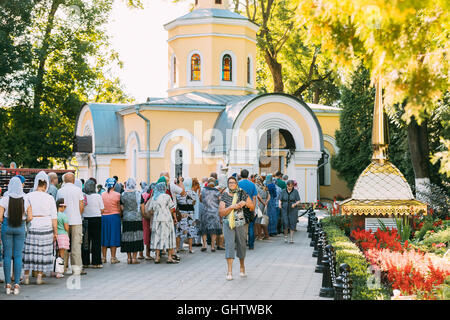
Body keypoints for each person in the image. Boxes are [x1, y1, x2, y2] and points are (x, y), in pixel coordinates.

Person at [23, 171, 58, 284]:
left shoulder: (28, 196)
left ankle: (26, 277)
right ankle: (39, 277)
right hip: (46, 226)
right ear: (46, 184)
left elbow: (24, 214)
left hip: (32, 226)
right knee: (42, 253)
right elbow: (54, 217)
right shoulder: (50, 198)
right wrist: (55, 232)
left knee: (30, 252)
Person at [0, 177, 32, 295]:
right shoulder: (25, 198)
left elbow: (0, 216)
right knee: (18, 256)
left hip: (7, 227)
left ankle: (8, 284)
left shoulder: (4, 199)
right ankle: (17, 284)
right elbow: (30, 217)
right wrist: (24, 221)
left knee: (7, 256)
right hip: (20, 227)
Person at [219, 176, 254, 280]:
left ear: (237, 184)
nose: (231, 184)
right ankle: (229, 271)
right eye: (230, 183)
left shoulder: (242, 193)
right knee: (229, 245)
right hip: (228, 224)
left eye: (233, 183)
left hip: (241, 224)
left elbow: (252, 207)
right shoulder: (224, 195)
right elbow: (221, 212)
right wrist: (231, 207)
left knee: (241, 245)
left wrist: (245, 203)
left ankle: (242, 267)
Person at [57, 173, 85, 275]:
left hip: (62, 221)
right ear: (73, 180)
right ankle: (77, 269)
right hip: (76, 221)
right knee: (76, 246)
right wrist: (78, 214)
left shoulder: (60, 191)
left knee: (62, 246)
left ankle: (62, 268)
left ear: (64, 180)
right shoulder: (78, 190)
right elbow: (81, 206)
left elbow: (58, 206)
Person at [147, 181, 179, 264]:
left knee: (157, 237)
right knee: (169, 237)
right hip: (167, 219)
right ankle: (169, 257)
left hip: (157, 220)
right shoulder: (167, 197)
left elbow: (150, 210)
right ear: (164, 188)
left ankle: (157, 257)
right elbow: (172, 208)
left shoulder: (154, 197)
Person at [120, 178, 144, 264]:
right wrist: (143, 215)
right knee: (136, 237)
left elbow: (121, 208)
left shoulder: (123, 194)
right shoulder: (138, 194)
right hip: (137, 218)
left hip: (126, 218)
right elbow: (142, 207)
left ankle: (128, 258)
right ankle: (134, 258)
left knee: (127, 237)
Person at [81, 179, 104, 268]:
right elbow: (102, 209)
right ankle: (96, 262)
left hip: (85, 220)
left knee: (86, 242)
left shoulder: (83, 196)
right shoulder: (98, 196)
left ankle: (85, 262)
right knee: (96, 241)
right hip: (96, 219)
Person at [101, 178, 122, 264]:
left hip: (104, 217)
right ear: (114, 185)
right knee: (113, 236)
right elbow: (119, 207)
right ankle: (113, 257)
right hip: (114, 217)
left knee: (104, 237)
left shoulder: (102, 194)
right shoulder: (117, 195)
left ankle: (104, 257)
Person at [175, 177, 198, 254]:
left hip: (182, 214)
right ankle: (190, 249)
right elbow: (194, 202)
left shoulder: (180, 193)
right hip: (190, 213)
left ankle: (177, 248)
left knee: (179, 231)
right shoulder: (194, 193)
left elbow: (177, 201)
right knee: (190, 231)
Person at [199, 178, 221, 252]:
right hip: (215, 212)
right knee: (213, 229)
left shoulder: (203, 190)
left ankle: (204, 245)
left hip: (205, 211)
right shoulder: (217, 192)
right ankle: (212, 246)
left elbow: (200, 199)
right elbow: (220, 200)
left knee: (204, 229)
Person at [238, 169, 257, 250]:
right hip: (250, 207)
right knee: (250, 226)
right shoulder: (252, 184)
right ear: (248, 175)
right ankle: (251, 245)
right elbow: (254, 197)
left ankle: (241, 243)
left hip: (239, 207)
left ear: (240, 175)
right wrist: (254, 208)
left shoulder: (238, 184)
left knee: (240, 226)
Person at [55, 198, 69, 278]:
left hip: (56, 235)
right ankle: (59, 271)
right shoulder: (63, 216)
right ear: (62, 206)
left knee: (56, 253)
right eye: (65, 207)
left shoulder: (54, 214)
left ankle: (54, 270)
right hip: (63, 235)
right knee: (62, 254)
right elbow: (66, 228)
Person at [255, 175, 270, 240]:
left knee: (258, 219)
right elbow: (269, 195)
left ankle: (259, 236)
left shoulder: (255, 186)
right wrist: (266, 202)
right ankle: (266, 235)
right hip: (265, 203)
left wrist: (263, 202)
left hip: (259, 203)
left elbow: (258, 196)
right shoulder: (264, 186)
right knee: (264, 218)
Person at [191, 178, 203, 247]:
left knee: (193, 225)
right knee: (197, 225)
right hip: (198, 209)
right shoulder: (197, 190)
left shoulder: (193, 191)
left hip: (195, 209)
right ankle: (197, 241)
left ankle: (194, 241)